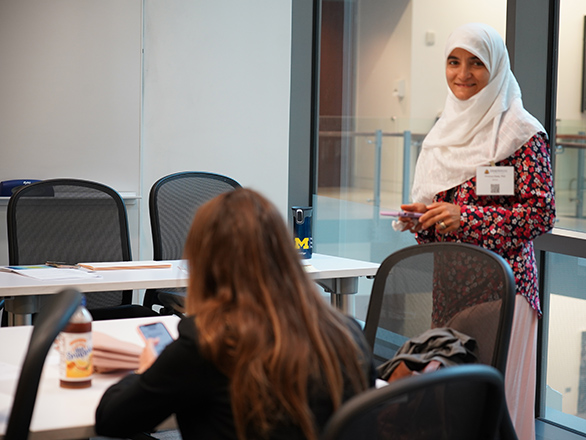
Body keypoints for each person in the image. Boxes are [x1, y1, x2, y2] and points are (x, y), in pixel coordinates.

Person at [95, 188, 375, 440]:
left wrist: (144, 371)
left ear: (205, 262)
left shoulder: (207, 345)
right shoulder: (347, 333)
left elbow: (111, 420)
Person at [396, 23, 555, 440]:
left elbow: (541, 214)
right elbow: (444, 215)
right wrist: (426, 219)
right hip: (449, 290)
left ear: (496, 68)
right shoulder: (443, 131)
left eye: (475, 63)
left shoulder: (520, 131)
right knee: (451, 409)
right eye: (453, 61)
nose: (462, 74)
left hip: (504, 291)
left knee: (493, 411)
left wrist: (466, 218)